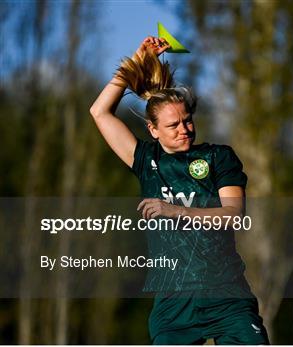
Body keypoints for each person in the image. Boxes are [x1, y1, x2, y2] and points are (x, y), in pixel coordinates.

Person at [90, 37, 269, 345]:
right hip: (173, 303)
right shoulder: (145, 160)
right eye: (173, 125)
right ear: (152, 129)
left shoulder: (218, 157)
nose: (185, 129)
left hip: (226, 293)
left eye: (188, 121)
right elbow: (100, 112)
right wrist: (136, 61)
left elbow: (233, 215)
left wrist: (175, 211)